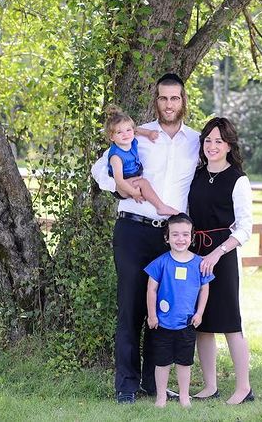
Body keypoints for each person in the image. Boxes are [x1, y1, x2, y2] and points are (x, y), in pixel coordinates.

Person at [91, 73, 200, 404]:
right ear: (156, 101)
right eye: (163, 98)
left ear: (183, 101)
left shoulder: (196, 141)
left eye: (175, 98)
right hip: (133, 230)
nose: (169, 104)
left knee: (165, 310)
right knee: (130, 307)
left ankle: (155, 383)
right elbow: (99, 170)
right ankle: (126, 384)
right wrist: (123, 188)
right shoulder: (137, 135)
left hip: (170, 238)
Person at [188, 117, 255, 405]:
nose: (212, 146)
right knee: (202, 322)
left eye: (219, 141)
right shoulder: (197, 175)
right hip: (195, 253)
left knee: (230, 322)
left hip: (223, 256)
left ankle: (244, 388)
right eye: (208, 140)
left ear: (229, 145)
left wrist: (217, 252)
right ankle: (210, 386)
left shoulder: (238, 180)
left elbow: (245, 228)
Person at [144, 213, 214, 408]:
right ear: (167, 237)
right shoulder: (160, 263)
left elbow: (204, 289)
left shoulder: (199, 263)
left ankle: (184, 396)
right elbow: (151, 289)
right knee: (162, 362)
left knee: (184, 362)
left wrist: (199, 313)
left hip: (187, 323)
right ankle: (161, 397)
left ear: (192, 237)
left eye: (185, 234)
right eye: (175, 234)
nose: (180, 239)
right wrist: (152, 315)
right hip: (162, 324)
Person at [103, 104, 178, 216]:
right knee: (143, 183)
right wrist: (134, 192)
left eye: (128, 130)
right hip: (122, 185)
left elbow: (136, 130)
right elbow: (119, 180)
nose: (125, 134)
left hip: (131, 176)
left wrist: (149, 133)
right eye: (119, 132)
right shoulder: (116, 156)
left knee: (143, 182)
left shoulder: (131, 139)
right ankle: (161, 207)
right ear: (111, 137)